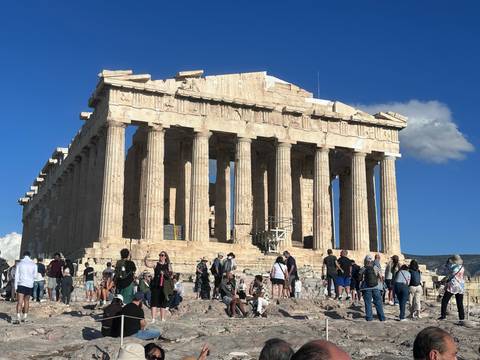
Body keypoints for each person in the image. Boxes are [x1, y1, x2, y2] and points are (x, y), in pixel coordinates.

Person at [144, 251, 174, 323]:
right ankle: (153, 319)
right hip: (156, 284)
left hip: (164, 285)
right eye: (160, 255)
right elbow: (147, 264)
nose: (160, 256)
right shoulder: (156, 264)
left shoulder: (168, 265)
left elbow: (171, 274)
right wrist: (146, 257)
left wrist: (165, 273)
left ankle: (162, 318)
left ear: (165, 257)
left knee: (163, 303)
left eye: (162, 255)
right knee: (154, 302)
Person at [13, 251, 37, 324]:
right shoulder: (34, 264)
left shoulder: (20, 264)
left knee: (19, 302)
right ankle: (25, 317)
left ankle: (18, 318)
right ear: (30, 256)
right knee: (27, 301)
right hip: (29, 285)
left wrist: (15, 286)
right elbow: (35, 276)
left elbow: (16, 275)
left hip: (21, 284)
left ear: (23, 255)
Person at [359, 255, 385, 321]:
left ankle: (369, 318)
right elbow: (381, 277)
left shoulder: (363, 268)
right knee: (378, 303)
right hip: (376, 287)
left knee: (368, 303)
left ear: (365, 261)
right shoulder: (376, 267)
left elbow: (359, 278)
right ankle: (382, 318)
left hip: (366, 288)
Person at [439, 255, 465, 321]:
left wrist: (447, 263)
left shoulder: (452, 267)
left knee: (444, 300)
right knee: (459, 303)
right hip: (461, 286)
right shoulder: (462, 267)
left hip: (453, 286)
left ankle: (443, 316)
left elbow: (446, 272)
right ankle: (462, 318)